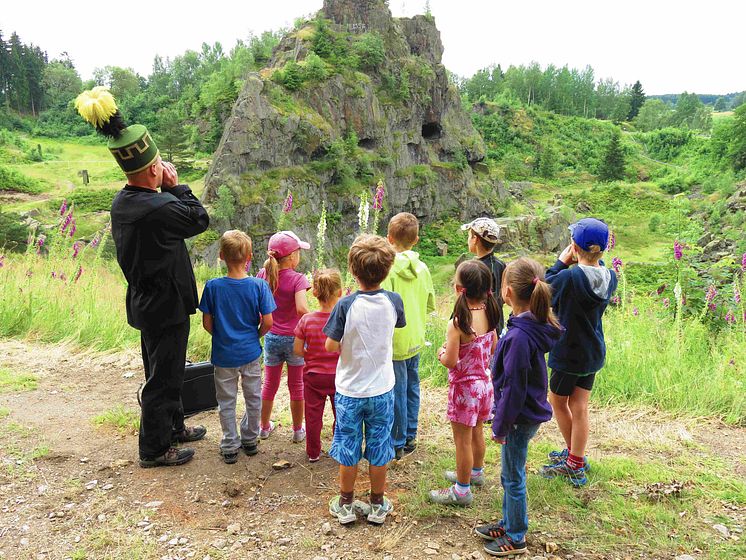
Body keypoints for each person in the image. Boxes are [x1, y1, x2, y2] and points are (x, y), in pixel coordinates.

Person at [75, 87, 210, 468]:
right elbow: (200, 219)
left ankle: (174, 427)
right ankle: (154, 448)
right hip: (165, 305)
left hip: (148, 302)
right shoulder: (159, 206)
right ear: (153, 169)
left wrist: (163, 188)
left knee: (165, 369)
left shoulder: (124, 202)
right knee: (163, 379)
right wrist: (177, 185)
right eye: (161, 164)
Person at [476, 258, 562, 557]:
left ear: (508, 292)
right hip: (525, 412)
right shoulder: (533, 324)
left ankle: (516, 536)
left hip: (518, 416)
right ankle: (509, 520)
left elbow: (513, 388)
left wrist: (500, 425)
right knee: (509, 473)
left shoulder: (518, 337)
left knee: (513, 477)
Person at [323, 235, 405, 526]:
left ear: (353, 271)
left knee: (348, 444)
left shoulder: (345, 305)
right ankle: (377, 503)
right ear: (387, 269)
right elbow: (393, 328)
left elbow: (330, 347)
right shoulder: (394, 301)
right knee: (380, 444)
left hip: (350, 389)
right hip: (382, 388)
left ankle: (345, 503)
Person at [540, 218, 617, 487]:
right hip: (592, 352)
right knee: (580, 406)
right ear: (603, 251)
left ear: (573, 246)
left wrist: (561, 262)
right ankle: (576, 455)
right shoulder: (610, 276)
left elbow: (546, 289)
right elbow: (594, 270)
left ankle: (574, 462)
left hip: (568, 353)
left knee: (558, 402)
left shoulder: (569, 277)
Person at [199, 231, 276, 464]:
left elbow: (207, 323)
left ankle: (230, 444)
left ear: (221, 256)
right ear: (250, 257)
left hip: (223, 355)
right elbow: (269, 322)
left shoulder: (213, 286)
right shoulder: (259, 286)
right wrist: (254, 337)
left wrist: (223, 336)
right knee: (253, 397)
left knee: (226, 401)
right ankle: (250, 439)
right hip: (250, 353)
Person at [429, 260, 499, 507]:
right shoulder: (491, 312)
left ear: (460, 289)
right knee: (478, 431)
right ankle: (475, 473)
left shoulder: (458, 322)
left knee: (462, 441)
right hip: (485, 385)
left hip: (465, 390)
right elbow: (492, 346)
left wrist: (441, 352)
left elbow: (450, 361)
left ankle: (461, 491)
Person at [380, 213, 435, 460]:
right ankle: (411, 434)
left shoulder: (388, 270)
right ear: (416, 240)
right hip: (416, 338)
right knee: (413, 387)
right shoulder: (423, 269)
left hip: (396, 342)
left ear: (389, 238)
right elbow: (430, 304)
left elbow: (386, 307)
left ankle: (397, 441)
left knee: (397, 391)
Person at [256, 231, 311, 442]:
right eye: (298, 252)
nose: (299, 256)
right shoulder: (298, 279)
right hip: (295, 340)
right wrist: (315, 320)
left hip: (271, 337)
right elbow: (302, 309)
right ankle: (297, 431)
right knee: (297, 386)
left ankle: (263, 427)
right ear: (290, 257)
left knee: (269, 384)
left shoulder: (263, 274)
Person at [293, 269, 343, 462]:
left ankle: (313, 453)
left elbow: (297, 350)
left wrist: (312, 356)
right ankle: (339, 448)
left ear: (314, 292)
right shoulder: (341, 320)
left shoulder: (307, 320)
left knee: (313, 416)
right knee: (341, 414)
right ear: (339, 293)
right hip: (339, 376)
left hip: (313, 376)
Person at [462, 218, 506, 335]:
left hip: (478, 328)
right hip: (497, 325)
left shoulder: (474, 270)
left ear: (475, 239)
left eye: (469, 236)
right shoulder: (501, 265)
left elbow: (464, 301)